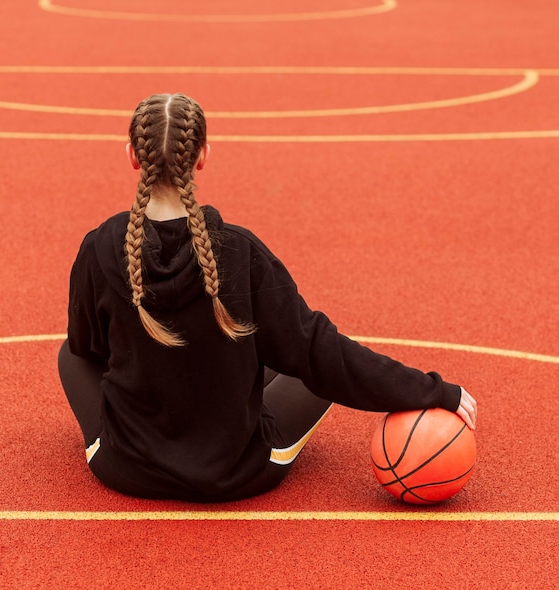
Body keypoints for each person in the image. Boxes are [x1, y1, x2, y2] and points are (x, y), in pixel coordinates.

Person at [58, 93, 477, 503]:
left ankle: (142, 424)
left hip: (128, 468)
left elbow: (87, 348)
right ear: (202, 156)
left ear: (132, 155)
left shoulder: (99, 248)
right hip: (238, 472)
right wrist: (434, 391)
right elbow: (321, 353)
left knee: (71, 353)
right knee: (308, 362)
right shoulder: (239, 250)